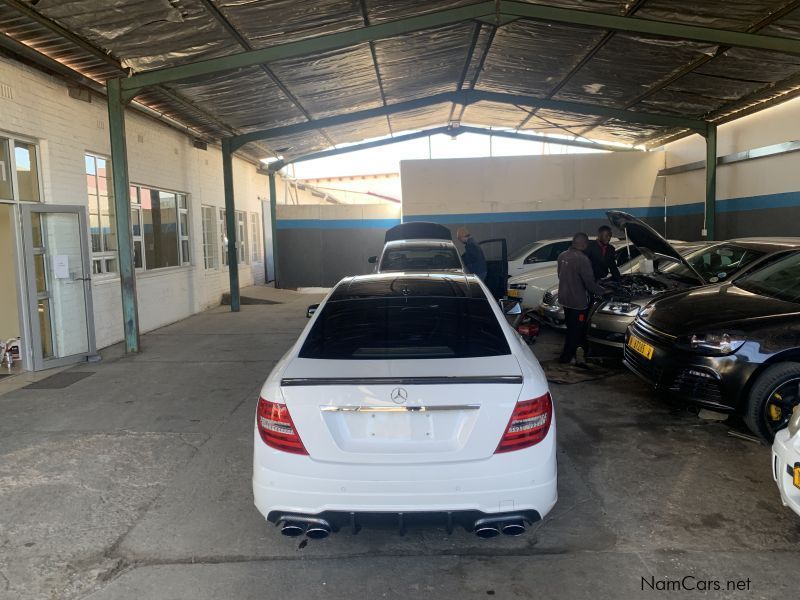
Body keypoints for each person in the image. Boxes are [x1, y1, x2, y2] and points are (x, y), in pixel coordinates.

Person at [557, 233, 606, 365]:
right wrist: (604, 291)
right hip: (578, 303)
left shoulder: (562, 255)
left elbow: (559, 275)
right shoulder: (582, 259)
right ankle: (566, 358)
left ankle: (580, 353)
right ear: (584, 244)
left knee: (571, 328)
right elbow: (589, 284)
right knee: (576, 331)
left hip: (564, 299)